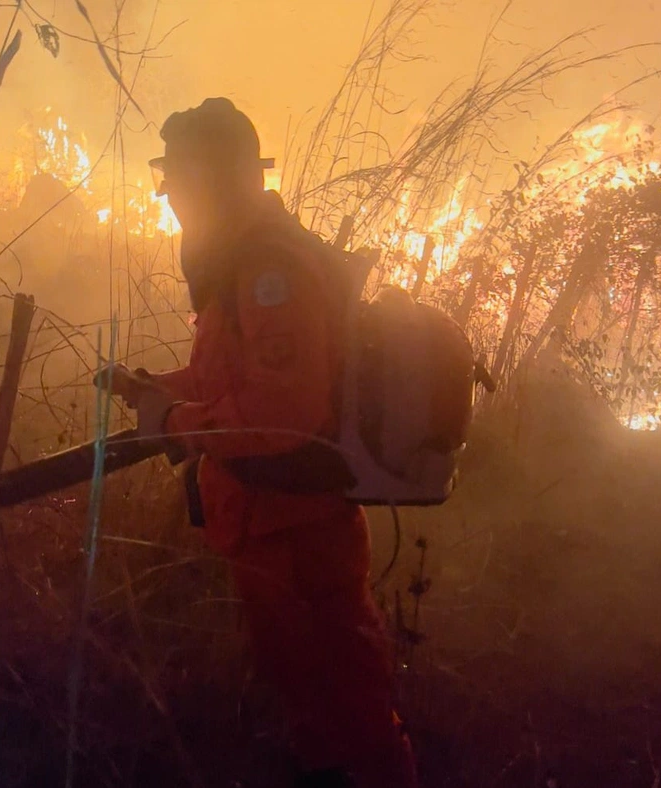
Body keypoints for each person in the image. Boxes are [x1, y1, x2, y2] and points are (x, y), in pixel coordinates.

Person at [99, 97, 417, 788]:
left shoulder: (272, 273)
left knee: (353, 713)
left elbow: (282, 410)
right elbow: (233, 374)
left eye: (178, 182)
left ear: (217, 181)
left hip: (299, 531)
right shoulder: (240, 261)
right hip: (267, 527)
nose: (169, 198)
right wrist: (152, 388)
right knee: (311, 704)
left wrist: (175, 423)